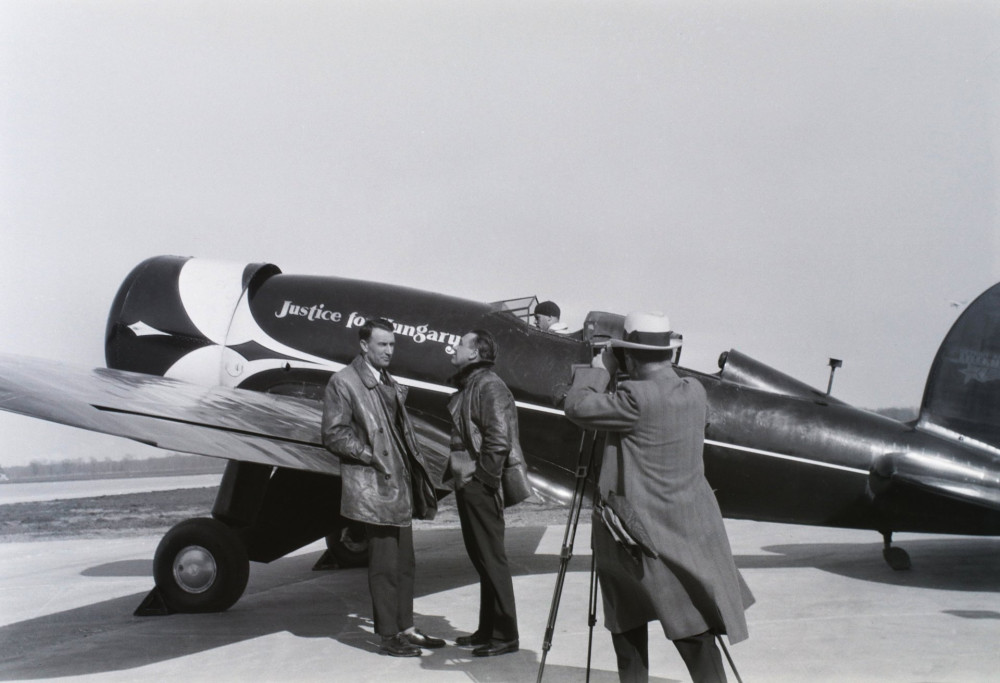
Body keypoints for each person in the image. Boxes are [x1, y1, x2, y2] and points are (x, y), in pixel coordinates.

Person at [560, 312, 753, 683]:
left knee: (627, 620)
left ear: (629, 356)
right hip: (687, 528)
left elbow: (577, 407)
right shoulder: (694, 392)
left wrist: (600, 368)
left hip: (636, 534)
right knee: (694, 628)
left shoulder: (634, 397)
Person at [322, 317, 444, 657]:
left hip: (398, 484)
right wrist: (369, 454)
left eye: (392, 345)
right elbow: (333, 433)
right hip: (374, 486)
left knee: (406, 563)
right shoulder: (344, 382)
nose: (390, 351)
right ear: (364, 346)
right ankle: (389, 636)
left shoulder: (386, 380)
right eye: (382, 345)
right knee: (384, 566)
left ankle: (406, 627)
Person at [446, 328, 521, 657]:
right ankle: (487, 630)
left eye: (461, 344)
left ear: (474, 354)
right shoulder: (473, 383)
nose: (454, 347)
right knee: (483, 561)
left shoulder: (488, 385)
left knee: (492, 561)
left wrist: (484, 482)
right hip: (470, 482)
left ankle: (506, 636)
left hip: (479, 483)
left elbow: (498, 438)